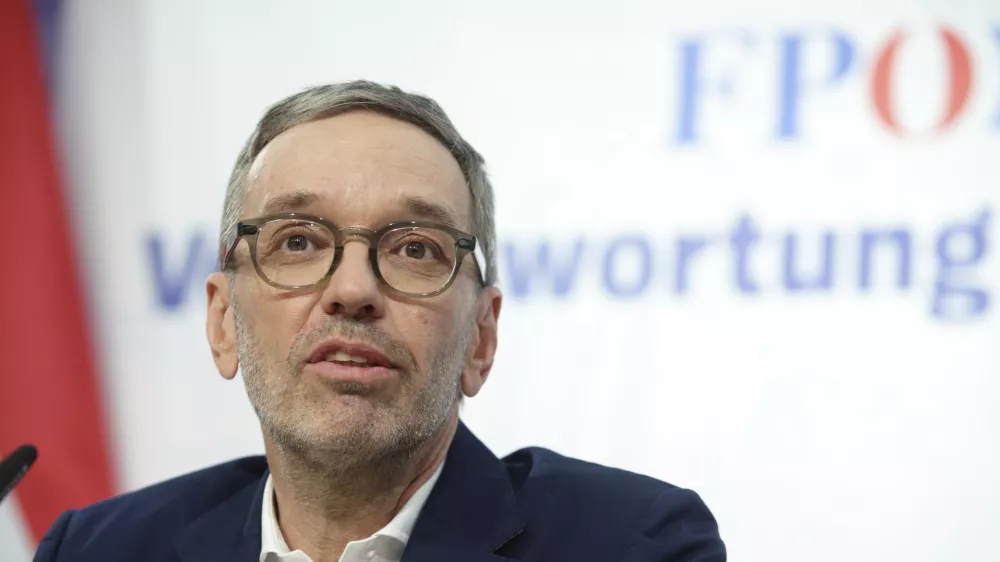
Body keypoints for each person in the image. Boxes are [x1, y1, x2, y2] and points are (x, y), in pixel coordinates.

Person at [34, 81, 726, 562]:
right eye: (298, 241)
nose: (354, 290)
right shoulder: (100, 551)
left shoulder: (631, 544)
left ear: (481, 339)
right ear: (222, 321)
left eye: (415, 250)